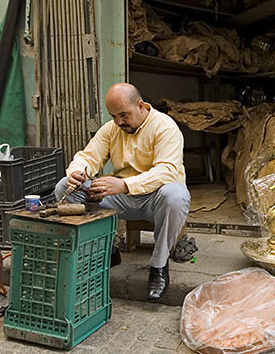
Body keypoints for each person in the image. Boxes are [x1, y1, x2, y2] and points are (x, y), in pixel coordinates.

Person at [54, 82, 190, 302]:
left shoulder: (165, 127)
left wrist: (125, 185)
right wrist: (77, 172)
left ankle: (158, 266)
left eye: (123, 115)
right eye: (113, 116)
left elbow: (167, 171)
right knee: (65, 187)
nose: (118, 122)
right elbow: (88, 156)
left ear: (141, 105)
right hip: (120, 199)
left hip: (154, 199)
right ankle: (106, 251)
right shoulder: (112, 128)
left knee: (176, 196)